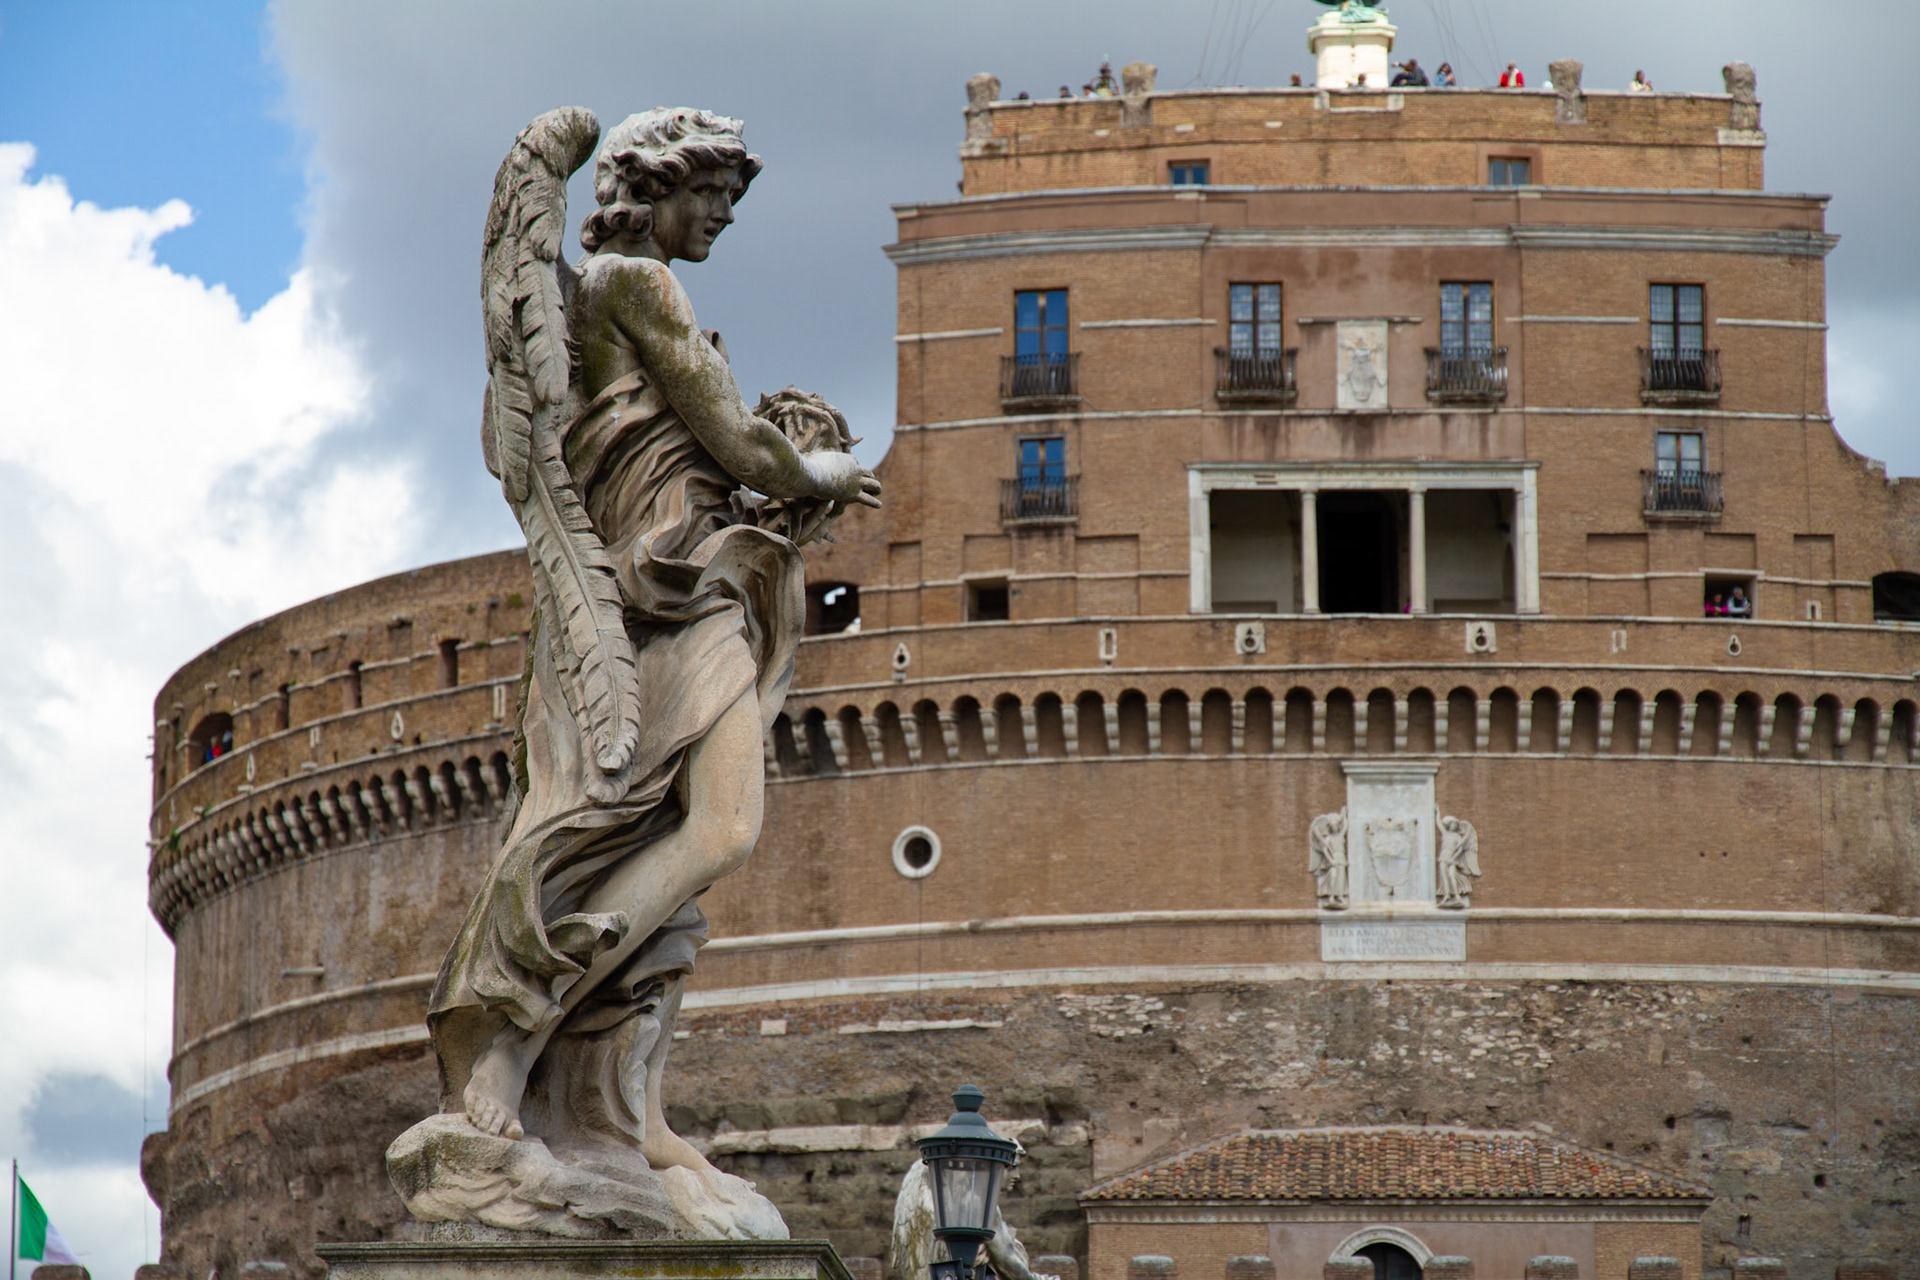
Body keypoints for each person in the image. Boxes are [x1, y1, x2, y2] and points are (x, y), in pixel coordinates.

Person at [437, 106, 881, 1167]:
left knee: (668, 834)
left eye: (731, 201)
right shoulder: (636, 285)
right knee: (705, 825)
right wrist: (818, 473)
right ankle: (510, 1028)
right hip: (670, 589)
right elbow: (733, 437)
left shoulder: (603, 302)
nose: (722, 218)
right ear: (656, 189)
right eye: (711, 197)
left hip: (686, 583)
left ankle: (616, 1107)